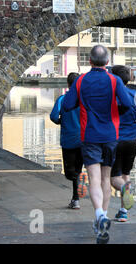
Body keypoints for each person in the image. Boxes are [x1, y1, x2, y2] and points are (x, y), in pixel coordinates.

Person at [62, 45, 132, 244]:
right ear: (107, 62)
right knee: (106, 178)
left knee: (93, 177)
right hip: (111, 135)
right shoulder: (114, 80)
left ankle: (99, 215)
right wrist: (116, 112)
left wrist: (80, 102)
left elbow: (67, 106)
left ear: (90, 61)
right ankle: (105, 216)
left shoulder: (81, 80)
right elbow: (128, 104)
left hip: (89, 135)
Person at [109, 65, 136, 222]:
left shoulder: (111, 95)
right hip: (132, 140)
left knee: (114, 178)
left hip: (114, 139)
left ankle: (125, 191)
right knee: (125, 174)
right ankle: (123, 212)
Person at [50, 72, 88, 210]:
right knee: (78, 168)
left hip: (68, 140)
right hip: (84, 139)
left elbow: (54, 116)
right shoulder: (86, 100)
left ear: (68, 84)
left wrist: (62, 121)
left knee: (70, 172)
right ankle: (75, 198)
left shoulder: (63, 99)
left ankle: (76, 195)